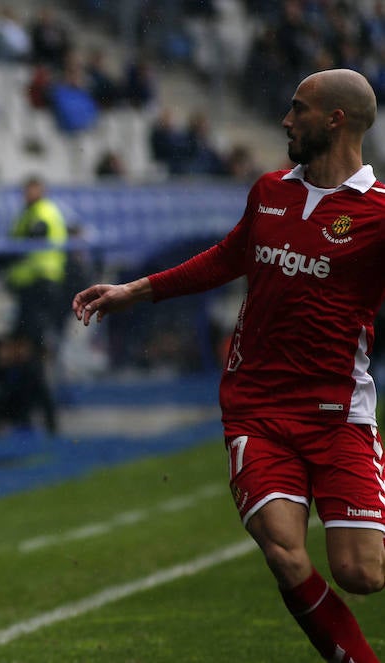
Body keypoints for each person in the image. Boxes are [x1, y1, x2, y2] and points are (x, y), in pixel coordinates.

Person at [72, 69, 385, 663]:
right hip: (257, 411)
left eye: (298, 109)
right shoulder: (270, 190)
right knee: (284, 550)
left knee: (361, 572)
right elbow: (226, 258)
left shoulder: (377, 214)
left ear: (335, 120)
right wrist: (132, 291)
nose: (287, 121)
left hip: (339, 414)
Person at [5, 175, 68, 433]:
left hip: (41, 290)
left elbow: (31, 238)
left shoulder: (41, 213)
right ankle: (31, 416)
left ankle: (45, 418)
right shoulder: (29, 212)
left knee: (34, 355)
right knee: (27, 354)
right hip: (30, 291)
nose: (28, 193)